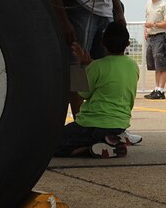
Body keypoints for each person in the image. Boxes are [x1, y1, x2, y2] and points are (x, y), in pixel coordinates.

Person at [49, 0, 124, 115]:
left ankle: (102, 120)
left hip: (104, 11)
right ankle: (80, 122)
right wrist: (63, 20)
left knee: (105, 72)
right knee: (78, 73)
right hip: (80, 9)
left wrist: (117, 9)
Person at [54, 22, 139, 158]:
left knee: (50, 145)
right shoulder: (133, 66)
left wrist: (80, 66)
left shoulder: (97, 66)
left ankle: (88, 149)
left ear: (102, 43)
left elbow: (82, 93)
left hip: (92, 125)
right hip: (120, 123)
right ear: (127, 43)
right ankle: (109, 143)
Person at [142, 0, 166, 99]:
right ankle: (156, 88)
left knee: (162, 64)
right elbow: (147, 18)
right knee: (155, 65)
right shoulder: (148, 4)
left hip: (160, 36)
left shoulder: (164, 5)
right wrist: (146, 30)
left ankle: (161, 89)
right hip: (150, 37)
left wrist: (154, 25)